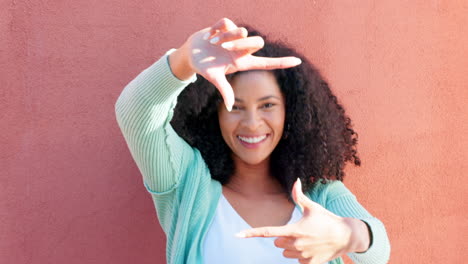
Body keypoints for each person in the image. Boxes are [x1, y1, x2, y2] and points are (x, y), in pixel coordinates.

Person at [115, 18, 390, 264]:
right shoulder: (188, 184)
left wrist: (346, 235)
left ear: (289, 112)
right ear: (216, 114)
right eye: (235, 106)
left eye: (267, 105)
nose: (252, 123)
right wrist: (185, 59)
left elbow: (379, 251)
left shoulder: (319, 194)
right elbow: (135, 113)